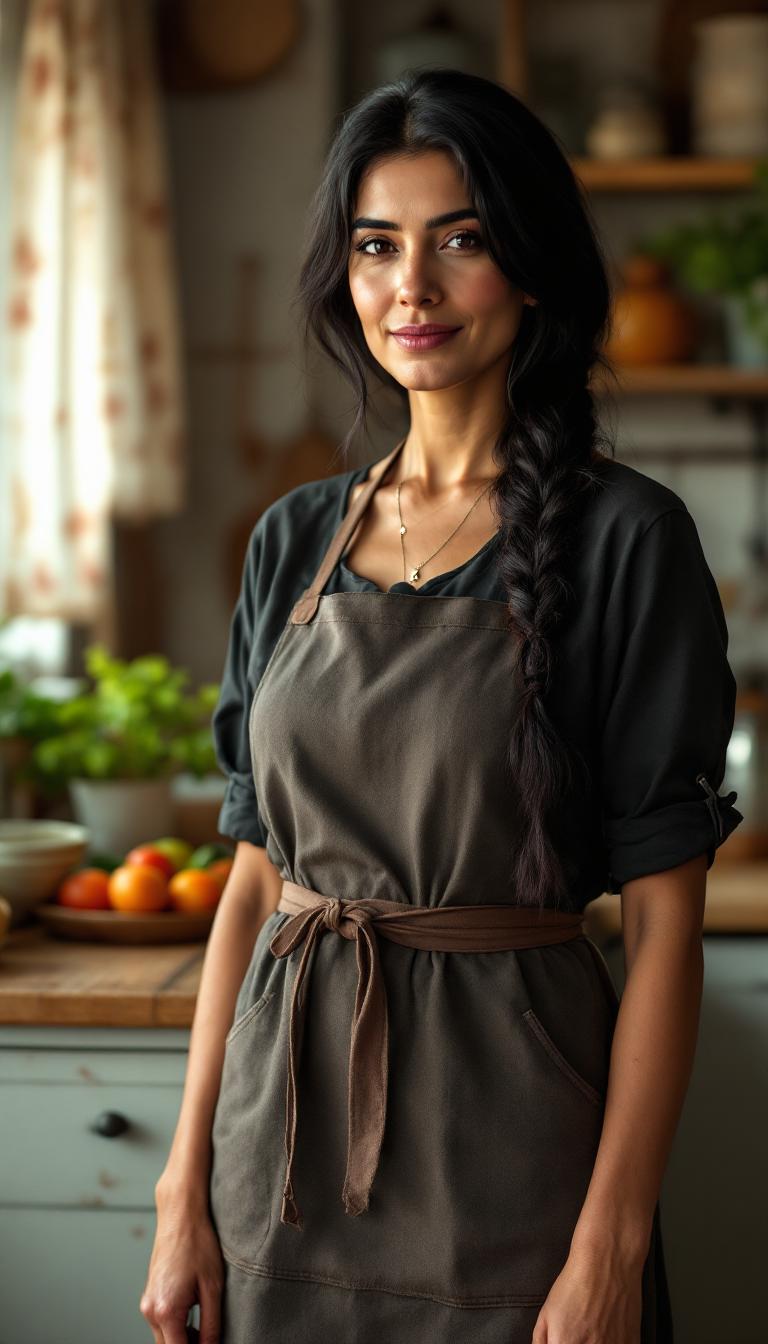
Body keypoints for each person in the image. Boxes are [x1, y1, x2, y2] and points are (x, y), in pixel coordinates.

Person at [141, 68, 743, 1344]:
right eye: (376, 246)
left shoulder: (630, 541)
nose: (409, 288)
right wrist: (180, 1187)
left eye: (459, 241)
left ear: (527, 268)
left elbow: (665, 930)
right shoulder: (292, 537)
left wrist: (612, 1248)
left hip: (514, 1163)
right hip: (282, 1155)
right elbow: (253, 888)